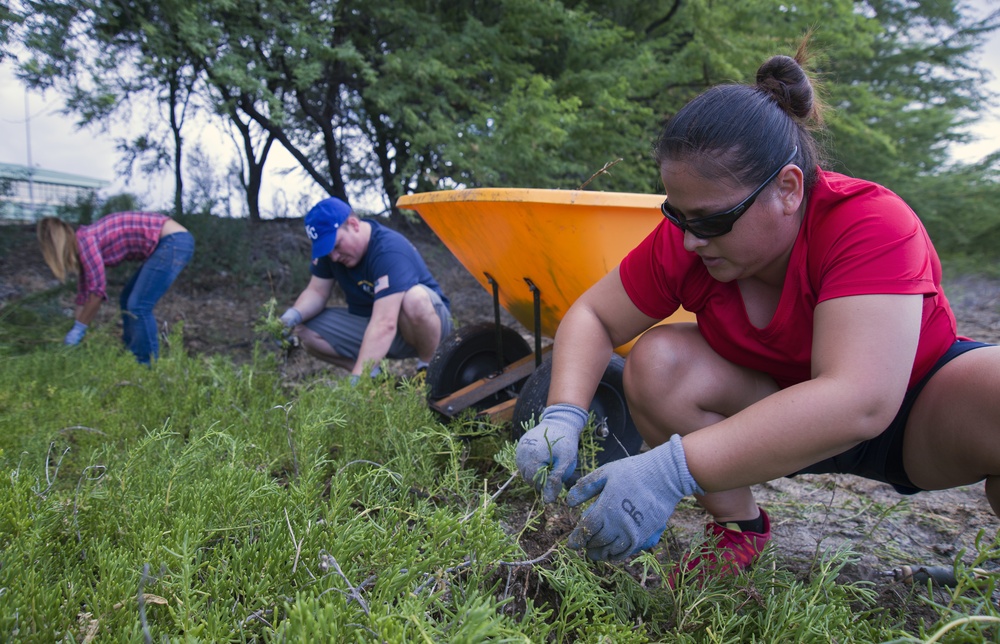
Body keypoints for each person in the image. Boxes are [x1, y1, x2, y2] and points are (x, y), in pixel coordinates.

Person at [515, 45, 1000, 581]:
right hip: (771, 416)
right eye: (675, 214)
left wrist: (667, 472)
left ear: (788, 190)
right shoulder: (690, 237)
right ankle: (739, 529)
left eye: (710, 220)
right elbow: (595, 317)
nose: (691, 239)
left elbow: (862, 399)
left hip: (915, 417)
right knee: (657, 360)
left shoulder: (870, 222)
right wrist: (563, 415)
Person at [280, 197, 452, 383]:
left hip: (424, 326)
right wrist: (292, 316)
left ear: (353, 224)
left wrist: (357, 380)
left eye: (336, 245)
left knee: (414, 298)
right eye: (327, 250)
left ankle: (428, 368)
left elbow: (385, 323)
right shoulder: (331, 254)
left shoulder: (388, 249)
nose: (334, 257)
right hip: (374, 324)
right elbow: (317, 292)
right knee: (301, 327)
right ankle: (372, 377)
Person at [37, 212, 195, 364]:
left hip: (174, 241)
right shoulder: (83, 243)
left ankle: (146, 365)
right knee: (127, 299)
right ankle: (130, 354)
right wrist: (76, 328)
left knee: (138, 306)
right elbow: (84, 296)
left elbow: (97, 294)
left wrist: (79, 329)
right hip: (171, 241)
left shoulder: (86, 242)